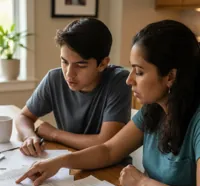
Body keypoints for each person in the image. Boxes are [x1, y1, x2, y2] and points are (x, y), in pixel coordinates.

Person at [16, 19, 200, 186]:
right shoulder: (153, 110)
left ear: (170, 76)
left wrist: (143, 184)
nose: (130, 80)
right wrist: (59, 162)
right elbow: (109, 150)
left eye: (140, 72)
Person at [15, 18, 132, 157]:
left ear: (102, 64)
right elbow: (23, 116)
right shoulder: (55, 78)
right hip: (69, 161)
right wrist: (29, 137)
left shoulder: (119, 81)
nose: (69, 74)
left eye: (81, 65)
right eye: (64, 62)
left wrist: (54, 134)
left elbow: (106, 143)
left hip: (108, 168)